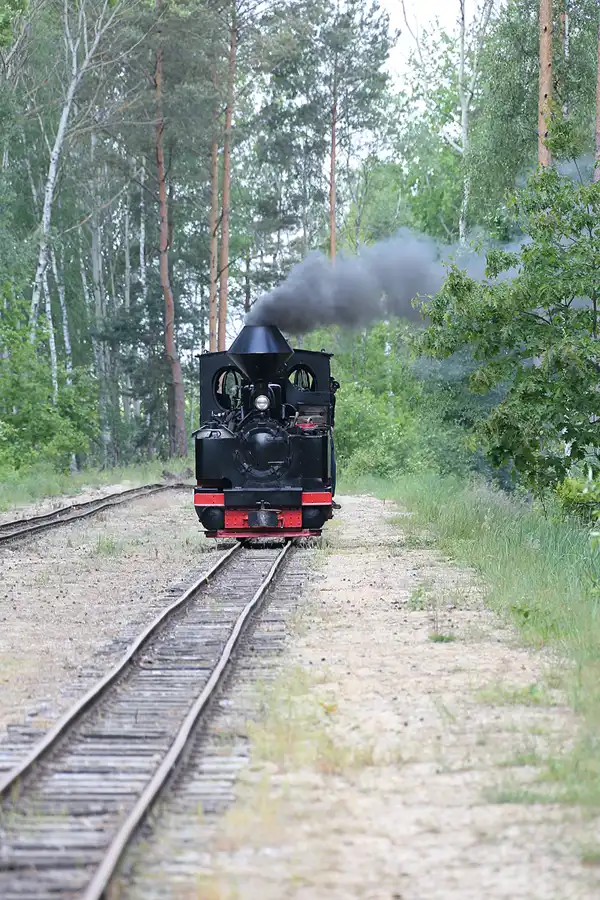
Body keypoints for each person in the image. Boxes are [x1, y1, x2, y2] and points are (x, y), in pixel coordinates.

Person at [329, 375, 341, 510]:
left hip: (326, 429)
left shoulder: (331, 398)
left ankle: (329, 495)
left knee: (331, 462)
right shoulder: (330, 397)